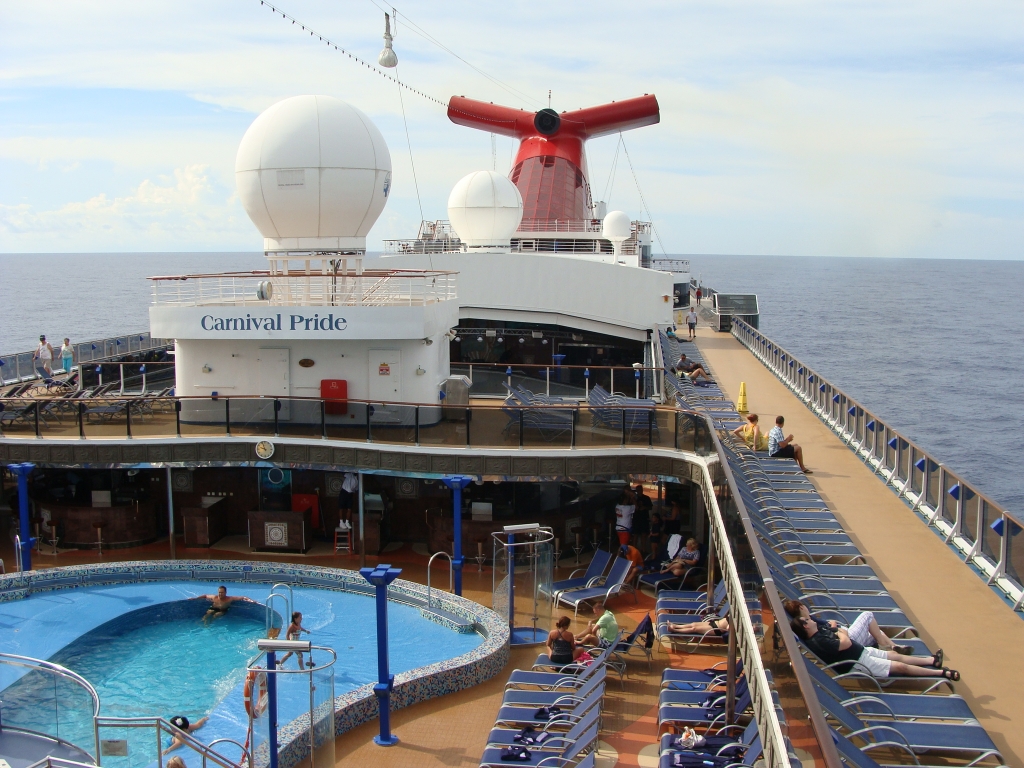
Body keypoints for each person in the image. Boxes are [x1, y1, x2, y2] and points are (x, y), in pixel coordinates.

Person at [791, 614, 958, 680]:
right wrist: (840, 633)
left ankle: (932, 660)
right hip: (858, 663)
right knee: (900, 667)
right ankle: (941, 673)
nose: (811, 619)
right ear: (806, 626)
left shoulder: (819, 631)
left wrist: (839, 632)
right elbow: (845, 640)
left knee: (897, 657)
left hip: (861, 652)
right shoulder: (818, 641)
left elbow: (840, 632)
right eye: (808, 619)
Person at [783, 600, 911, 654]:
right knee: (867, 616)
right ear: (801, 607)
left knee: (876, 632)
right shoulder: (809, 623)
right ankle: (887, 648)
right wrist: (833, 624)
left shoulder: (805, 624)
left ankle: (894, 647)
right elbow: (831, 628)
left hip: (845, 636)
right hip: (847, 638)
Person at [632, 484, 652, 548]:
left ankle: (643, 550)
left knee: (644, 534)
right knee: (635, 535)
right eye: (638, 490)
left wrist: (645, 507)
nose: (640, 491)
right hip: (636, 518)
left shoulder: (646, 498)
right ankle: (634, 549)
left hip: (644, 518)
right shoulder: (634, 499)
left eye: (641, 490)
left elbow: (650, 507)